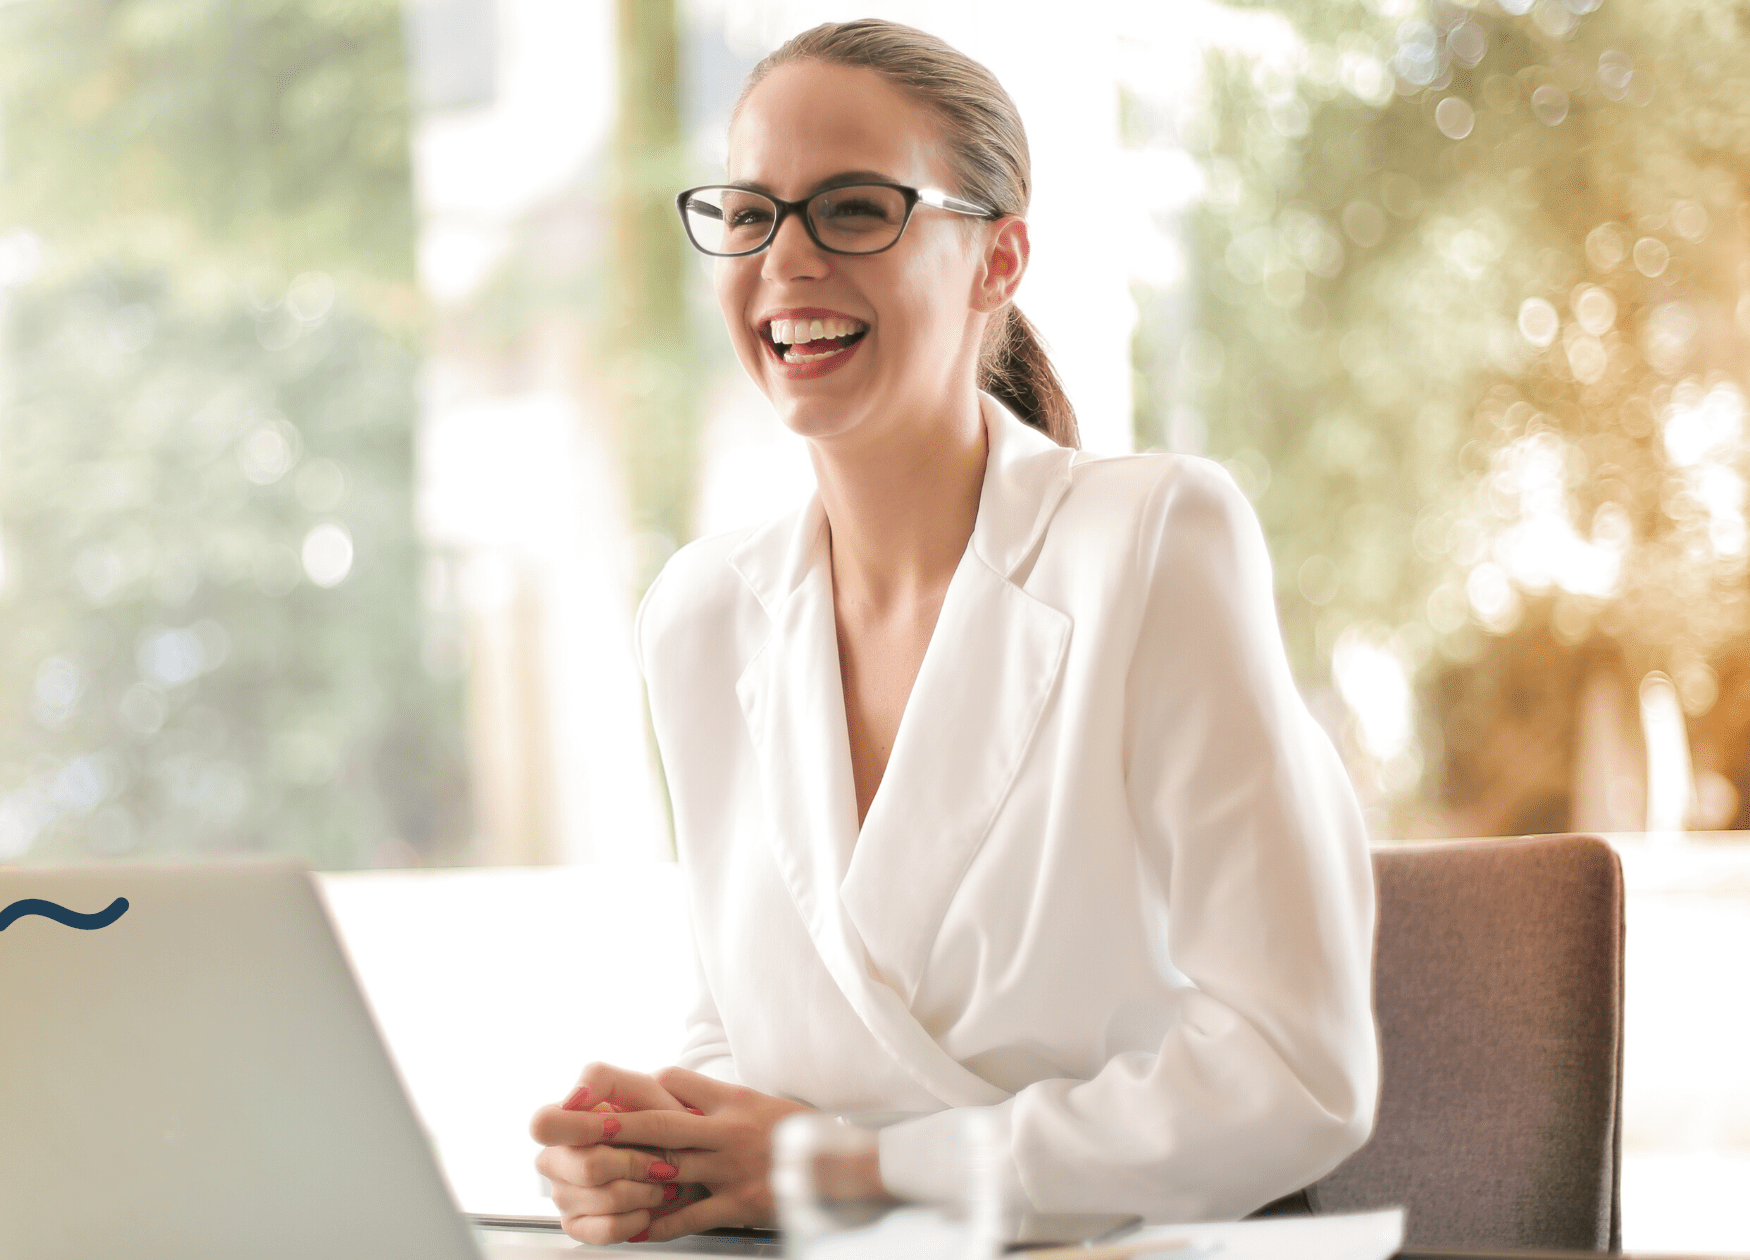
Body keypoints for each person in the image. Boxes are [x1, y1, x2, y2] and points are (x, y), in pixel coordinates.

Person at [527, 18, 1379, 1248]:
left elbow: (1292, 1075)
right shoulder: (699, 617)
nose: (786, 259)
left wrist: (856, 1167)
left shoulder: (1149, 543)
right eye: (750, 212)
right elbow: (745, 1024)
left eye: (855, 209)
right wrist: (656, 1153)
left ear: (998, 258)